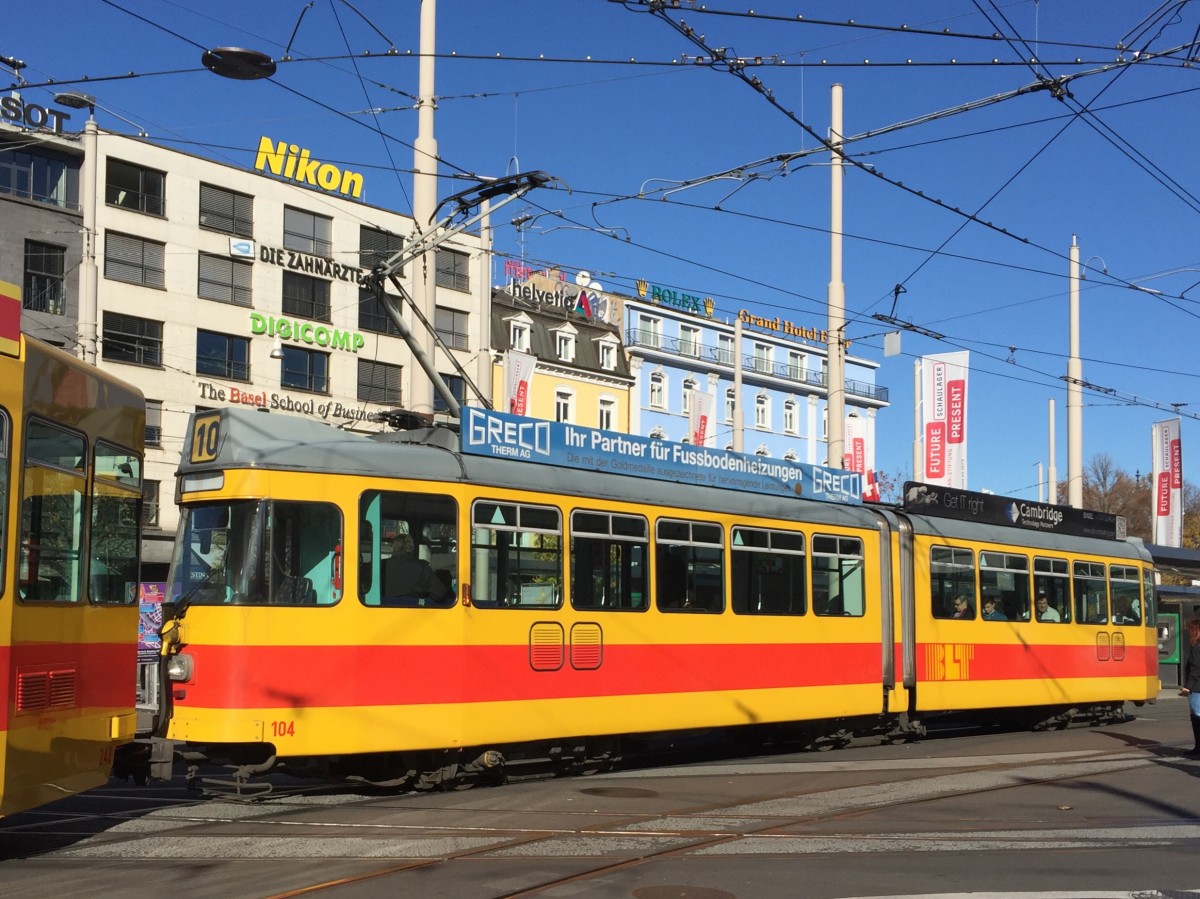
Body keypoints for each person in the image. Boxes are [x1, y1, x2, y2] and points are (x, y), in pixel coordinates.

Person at [383, 534, 451, 602]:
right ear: (412, 548)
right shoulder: (422, 567)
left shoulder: (381, 565)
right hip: (414, 610)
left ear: (394, 547)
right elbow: (440, 593)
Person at [1180, 618, 1200, 757]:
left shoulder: (1197, 648)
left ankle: (1198, 749)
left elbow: (1195, 668)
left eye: (1189, 631)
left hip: (1197, 687)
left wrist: (1187, 687)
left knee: (1197, 717)